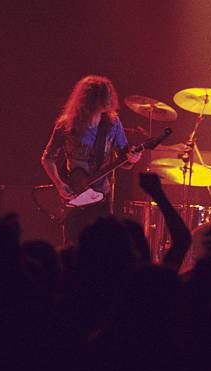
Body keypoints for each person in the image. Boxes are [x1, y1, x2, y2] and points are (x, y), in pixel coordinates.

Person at [41, 75, 142, 245]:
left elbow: (124, 160)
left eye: (110, 93)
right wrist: (59, 185)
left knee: (101, 247)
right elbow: (47, 158)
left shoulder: (113, 123)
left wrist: (132, 159)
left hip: (101, 196)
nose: (110, 98)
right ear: (91, 98)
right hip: (74, 196)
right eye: (105, 94)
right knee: (74, 246)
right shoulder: (67, 125)